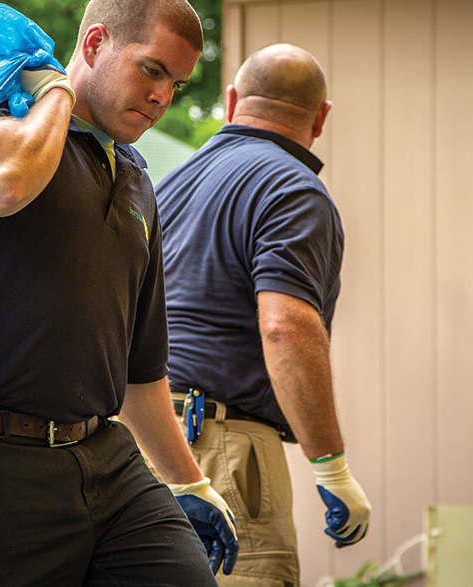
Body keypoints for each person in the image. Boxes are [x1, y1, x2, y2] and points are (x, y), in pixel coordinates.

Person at [0, 0, 239, 587]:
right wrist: (54, 90)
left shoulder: (138, 178)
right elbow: (2, 186)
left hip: (108, 462)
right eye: (153, 70)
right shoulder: (2, 120)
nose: (164, 96)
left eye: (178, 83)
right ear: (93, 45)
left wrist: (190, 481)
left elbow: (141, 374)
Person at [154, 44, 371, 586]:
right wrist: (332, 468)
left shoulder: (165, 188)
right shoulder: (293, 189)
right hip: (218, 449)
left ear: (231, 102)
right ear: (320, 118)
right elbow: (286, 326)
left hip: (140, 439)